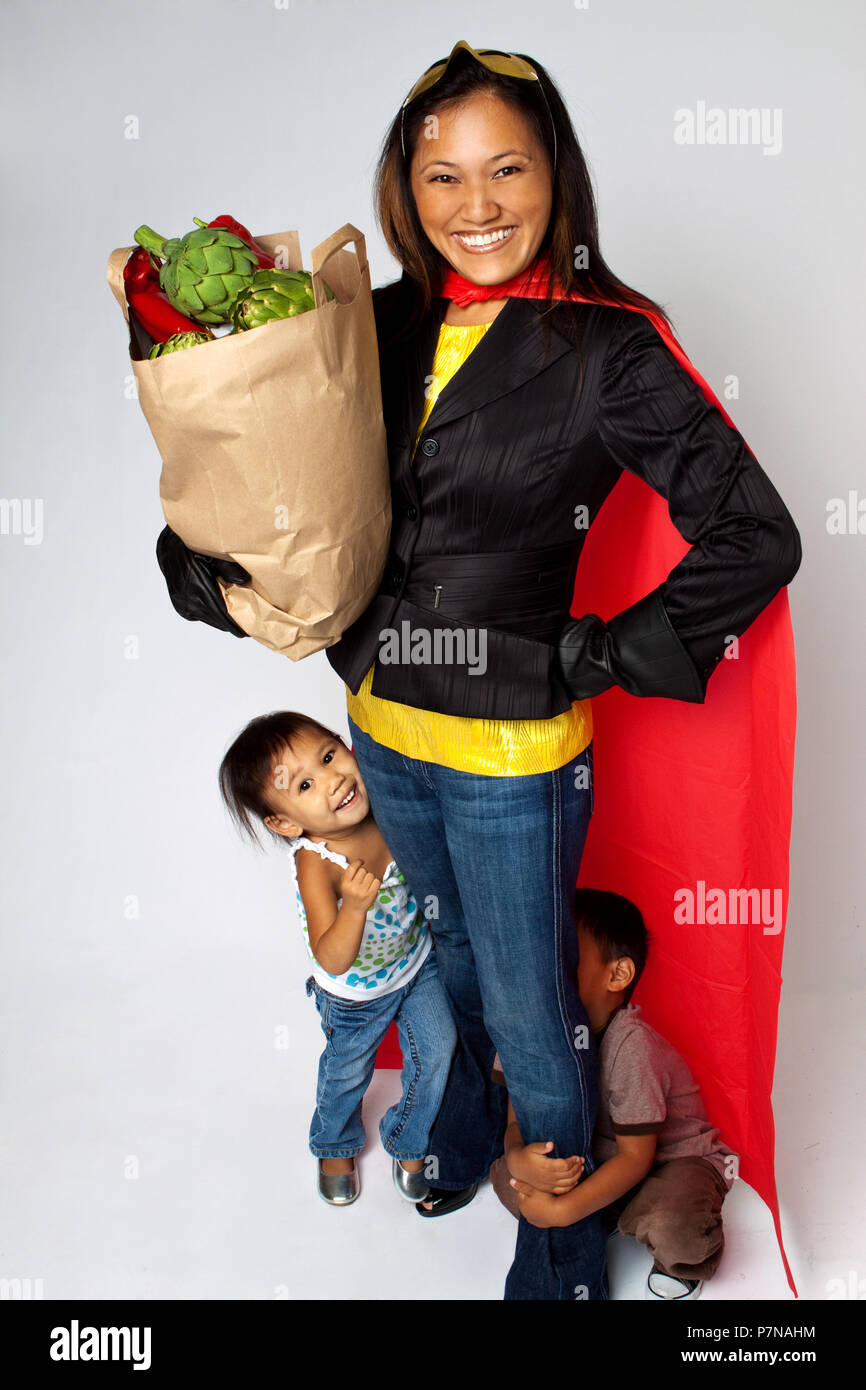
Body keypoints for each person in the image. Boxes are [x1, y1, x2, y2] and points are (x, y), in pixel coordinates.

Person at [154, 43, 801, 1299]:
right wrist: (210, 560)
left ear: (554, 172)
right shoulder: (373, 319)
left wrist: (599, 653)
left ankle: (556, 1258)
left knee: (528, 1003)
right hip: (379, 725)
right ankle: (451, 1139)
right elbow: (299, 491)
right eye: (443, 175)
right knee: (445, 964)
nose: (479, 203)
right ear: (407, 187)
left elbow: (756, 534)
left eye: (506, 166)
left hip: (511, 757)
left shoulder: (606, 349)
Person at [217, 709, 457, 1207]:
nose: (333, 782)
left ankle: (409, 1141)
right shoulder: (317, 861)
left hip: (416, 965)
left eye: (330, 756)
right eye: (305, 785)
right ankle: (334, 1143)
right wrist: (355, 909)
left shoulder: (389, 808)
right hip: (355, 995)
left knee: (437, 1052)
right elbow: (331, 958)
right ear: (284, 822)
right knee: (346, 1074)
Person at [490, 888, 737, 1300]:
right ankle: (606, 1213)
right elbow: (518, 1118)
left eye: (566, 957)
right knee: (505, 1177)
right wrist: (518, 1155)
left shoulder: (631, 1045)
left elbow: (636, 1158)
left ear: (617, 975)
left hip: (667, 1162)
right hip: (595, 1158)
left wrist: (564, 1210)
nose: (545, 969)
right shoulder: (529, 1023)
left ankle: (685, 1258)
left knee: (675, 1228)